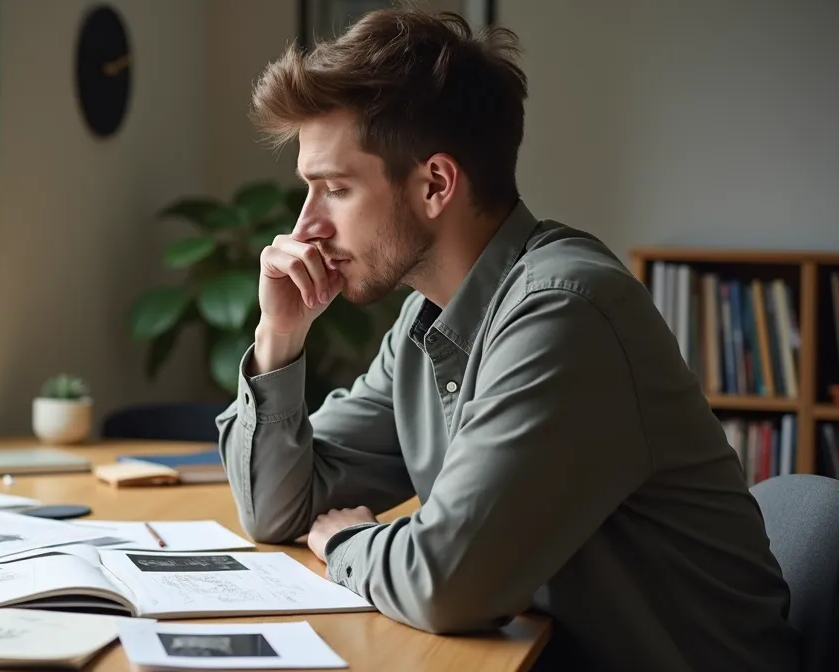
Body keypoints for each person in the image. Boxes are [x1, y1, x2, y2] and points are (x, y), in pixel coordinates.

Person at [214, 6, 799, 671]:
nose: (306, 226)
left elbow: (444, 584)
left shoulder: (564, 314)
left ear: (436, 183)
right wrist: (279, 337)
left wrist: (353, 541)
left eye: (335, 189)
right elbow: (276, 511)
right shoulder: (425, 323)